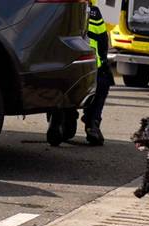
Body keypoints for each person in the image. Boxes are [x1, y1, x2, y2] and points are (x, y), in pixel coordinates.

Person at [47, 0, 115, 146]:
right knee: (104, 78)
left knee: (59, 86)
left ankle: (58, 119)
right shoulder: (94, 12)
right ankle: (93, 124)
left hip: (61, 68)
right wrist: (101, 63)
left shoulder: (51, 9)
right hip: (89, 69)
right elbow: (102, 42)